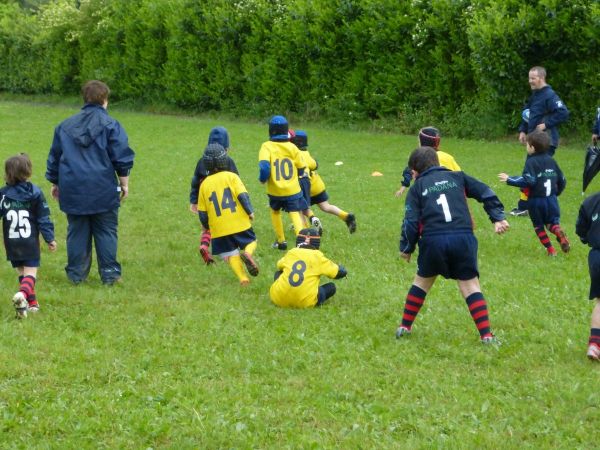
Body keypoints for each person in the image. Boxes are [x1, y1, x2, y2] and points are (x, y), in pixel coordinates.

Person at [397, 146, 509, 344]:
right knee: (470, 285)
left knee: (422, 282)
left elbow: (410, 222)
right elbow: (486, 192)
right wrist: (497, 217)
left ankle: (404, 327)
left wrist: (407, 248)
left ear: (415, 170)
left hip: (433, 241)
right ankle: (486, 336)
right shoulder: (459, 177)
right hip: (463, 239)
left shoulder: (417, 187)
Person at [46, 80, 135, 285]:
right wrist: (124, 183)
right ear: (105, 100)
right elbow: (121, 157)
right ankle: (110, 274)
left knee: (77, 230)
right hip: (102, 187)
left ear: (84, 99)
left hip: (73, 187)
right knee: (106, 230)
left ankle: (76, 275)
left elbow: (55, 157)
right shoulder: (112, 125)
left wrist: (55, 182)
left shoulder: (64, 126)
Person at [1, 154, 57, 318]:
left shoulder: (2, 194)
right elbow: (43, 218)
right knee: (30, 273)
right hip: (29, 241)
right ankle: (22, 295)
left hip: (11, 242)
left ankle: (31, 305)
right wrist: (50, 238)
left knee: (21, 272)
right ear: (27, 172)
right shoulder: (36, 193)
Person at [499, 130, 569, 256]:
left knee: (538, 226)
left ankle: (551, 250)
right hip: (551, 200)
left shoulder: (531, 162)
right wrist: (556, 193)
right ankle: (558, 231)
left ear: (532, 147)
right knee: (551, 223)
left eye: (527, 144)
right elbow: (562, 180)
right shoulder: (551, 161)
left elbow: (529, 181)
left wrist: (510, 179)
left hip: (536, 201)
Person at [198, 143, 259, 286]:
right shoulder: (232, 177)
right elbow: (243, 196)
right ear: (224, 159)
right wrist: (250, 211)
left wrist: (208, 227)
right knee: (251, 241)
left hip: (219, 229)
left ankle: (243, 278)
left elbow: (202, 212)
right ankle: (248, 254)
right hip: (239, 222)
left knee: (230, 253)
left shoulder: (204, 184)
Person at [512, 66, 569, 216]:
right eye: (529, 78)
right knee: (533, 173)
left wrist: (546, 124)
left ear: (541, 78)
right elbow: (527, 114)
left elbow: (563, 112)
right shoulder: (535, 95)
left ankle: (526, 207)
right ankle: (528, 206)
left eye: (533, 78)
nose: (530, 81)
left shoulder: (550, 95)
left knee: (532, 174)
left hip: (545, 142)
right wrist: (523, 130)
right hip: (534, 140)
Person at [290, 130, 356, 234]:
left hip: (306, 186)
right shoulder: (307, 154)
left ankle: (304, 230)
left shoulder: (295, 154)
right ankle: (346, 216)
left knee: (301, 210)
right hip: (317, 184)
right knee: (326, 206)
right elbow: (315, 165)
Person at [189, 126, 239, 265]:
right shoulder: (228, 162)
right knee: (226, 228)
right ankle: (227, 255)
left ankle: (204, 245)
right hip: (223, 202)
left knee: (207, 227)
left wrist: (194, 201)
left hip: (206, 202)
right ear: (226, 147)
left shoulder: (202, 161)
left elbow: (195, 182)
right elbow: (236, 182)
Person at [258, 115, 307, 250]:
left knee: (275, 212)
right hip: (292, 190)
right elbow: (302, 167)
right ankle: (302, 243)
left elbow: (264, 166)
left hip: (275, 191)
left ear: (271, 131)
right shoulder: (292, 147)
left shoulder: (266, 146)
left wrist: (263, 179)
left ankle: (281, 241)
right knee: (294, 212)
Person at [269, 227, 347, 308]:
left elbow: (279, 265)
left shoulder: (291, 252)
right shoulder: (318, 256)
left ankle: (282, 292)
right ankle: (308, 297)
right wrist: (342, 269)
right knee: (331, 287)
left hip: (277, 299)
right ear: (317, 243)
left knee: (278, 273)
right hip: (305, 303)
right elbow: (338, 272)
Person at [395, 126, 460, 197]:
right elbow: (460, 179)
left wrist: (402, 188)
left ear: (422, 142)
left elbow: (408, 172)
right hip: (452, 197)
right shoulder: (448, 157)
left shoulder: (419, 156)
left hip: (429, 197)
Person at [576, 191, 600, 361]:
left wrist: (587, 238)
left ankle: (594, 344)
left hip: (596, 257)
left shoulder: (591, 201)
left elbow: (581, 230)